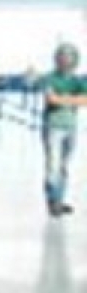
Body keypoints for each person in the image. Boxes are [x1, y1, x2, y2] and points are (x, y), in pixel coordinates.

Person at [41, 43, 87, 216]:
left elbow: (85, 100)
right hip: (53, 126)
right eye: (63, 56)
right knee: (53, 165)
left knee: (64, 166)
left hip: (71, 127)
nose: (66, 60)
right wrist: (72, 99)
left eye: (69, 57)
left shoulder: (77, 80)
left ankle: (60, 200)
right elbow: (51, 99)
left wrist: (63, 99)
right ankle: (52, 200)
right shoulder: (49, 78)